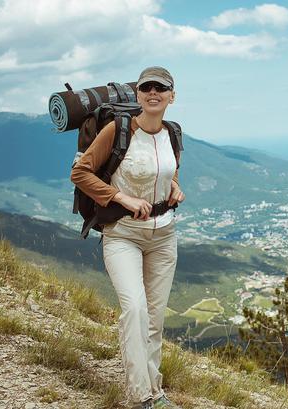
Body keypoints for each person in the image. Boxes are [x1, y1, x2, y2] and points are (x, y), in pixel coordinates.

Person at [70, 66, 184, 409]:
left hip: (164, 237)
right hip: (123, 234)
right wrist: (121, 198)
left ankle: (156, 391)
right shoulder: (117, 131)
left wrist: (176, 189)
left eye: (160, 88)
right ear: (138, 95)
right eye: (147, 87)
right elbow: (80, 172)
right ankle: (140, 397)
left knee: (155, 318)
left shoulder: (173, 134)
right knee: (134, 309)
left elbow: (169, 172)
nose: (153, 93)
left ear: (171, 97)